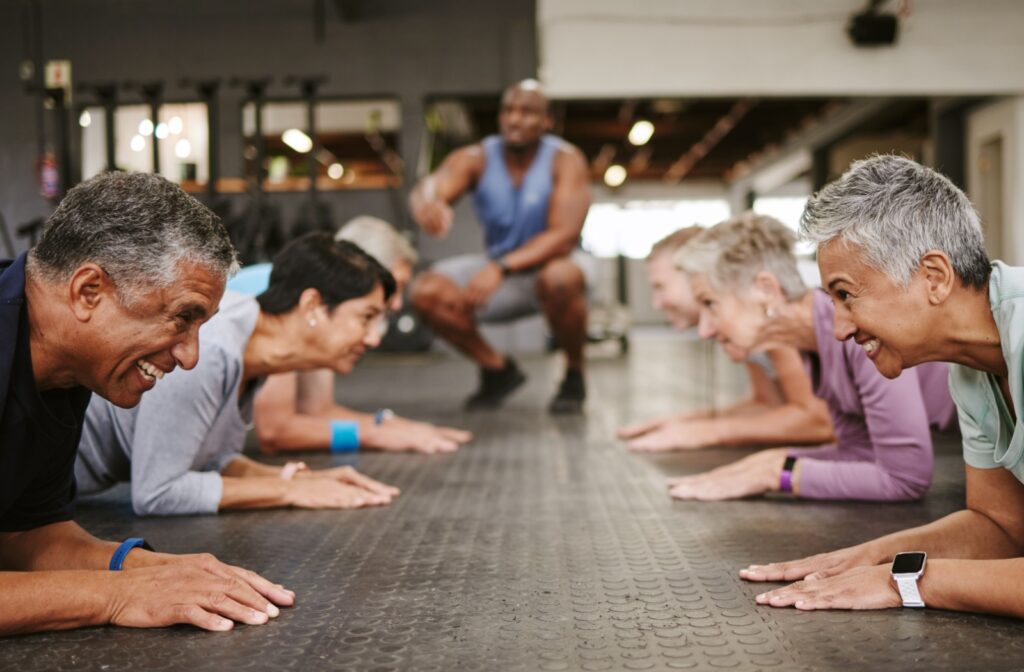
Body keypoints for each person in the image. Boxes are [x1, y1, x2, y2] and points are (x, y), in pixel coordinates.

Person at [0, 172, 293, 636]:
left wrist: (147, 569)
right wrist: (121, 594)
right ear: (87, 292)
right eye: (183, 317)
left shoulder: (63, 366)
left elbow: (24, 536)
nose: (191, 356)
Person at [740, 155, 1024, 619]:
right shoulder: (972, 370)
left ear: (934, 277)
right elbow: (1002, 527)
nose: (838, 330)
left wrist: (904, 581)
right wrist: (868, 557)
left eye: (846, 295)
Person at [75, 232, 401, 516]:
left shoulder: (252, 352)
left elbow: (213, 459)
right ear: (312, 305)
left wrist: (294, 479)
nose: (374, 338)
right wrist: (289, 492)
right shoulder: (211, 348)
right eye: (366, 317)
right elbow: (158, 493)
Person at [666, 212, 955, 501]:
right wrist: (768, 463)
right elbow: (861, 452)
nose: (703, 330)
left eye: (710, 303)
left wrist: (776, 473)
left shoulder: (857, 331)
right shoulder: (814, 345)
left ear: (766, 290)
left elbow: (905, 479)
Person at [408, 79, 593, 413]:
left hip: (557, 265)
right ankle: (497, 370)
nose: (515, 119)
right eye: (508, 110)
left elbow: (564, 234)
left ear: (547, 121)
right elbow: (432, 185)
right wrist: (429, 202)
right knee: (426, 291)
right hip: (502, 269)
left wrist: (500, 267)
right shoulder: (476, 157)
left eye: (527, 112)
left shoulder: (565, 160)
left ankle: (575, 373)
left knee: (560, 277)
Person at [230, 216, 472, 454]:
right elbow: (276, 431)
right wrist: (375, 435)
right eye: (393, 286)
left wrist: (390, 426)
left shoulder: (321, 308)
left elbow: (318, 410)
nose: (397, 304)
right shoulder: (294, 303)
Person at [617, 227, 834, 452]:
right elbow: (769, 404)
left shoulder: (763, 303)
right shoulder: (733, 319)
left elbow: (817, 419)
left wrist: (707, 432)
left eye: (660, 287)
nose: (657, 303)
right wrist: (691, 423)